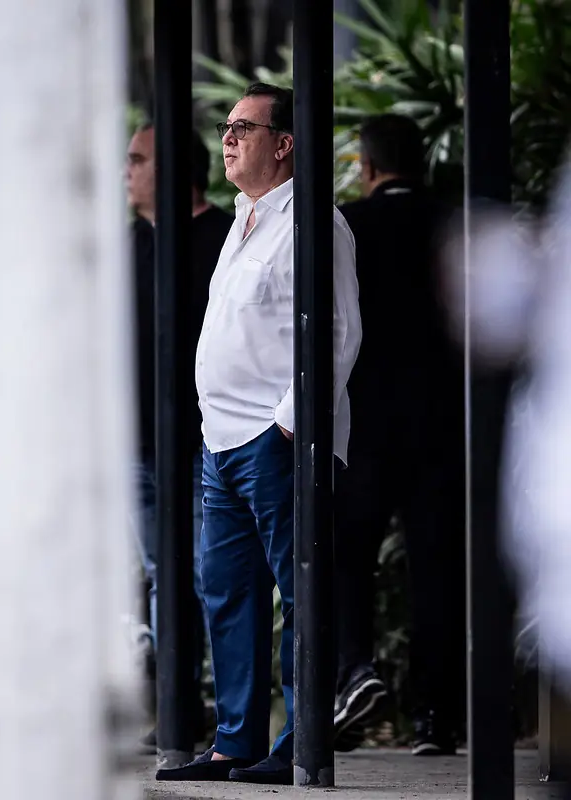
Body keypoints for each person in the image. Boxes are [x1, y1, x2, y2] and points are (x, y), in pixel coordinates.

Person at [156, 82, 362, 784]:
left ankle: (300, 744)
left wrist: (288, 425)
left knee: (300, 592)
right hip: (221, 441)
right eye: (227, 125)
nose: (228, 137)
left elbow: (339, 332)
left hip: (276, 439)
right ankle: (235, 742)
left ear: (284, 144)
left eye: (244, 127)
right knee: (227, 593)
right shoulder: (245, 217)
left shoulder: (313, 221)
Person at [333, 114, 466, 755]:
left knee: (347, 558)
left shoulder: (347, 226)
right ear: (423, 162)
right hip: (442, 422)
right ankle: (437, 717)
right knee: (437, 570)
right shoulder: (456, 223)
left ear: (367, 167)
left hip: (364, 423)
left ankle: (353, 680)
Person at [126, 124, 233, 752]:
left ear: (170, 169)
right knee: (159, 574)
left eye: (137, 160)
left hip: (204, 441)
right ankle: (179, 711)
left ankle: (228, 714)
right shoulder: (125, 245)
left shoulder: (225, 238)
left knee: (203, 573)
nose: (127, 172)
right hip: (136, 444)